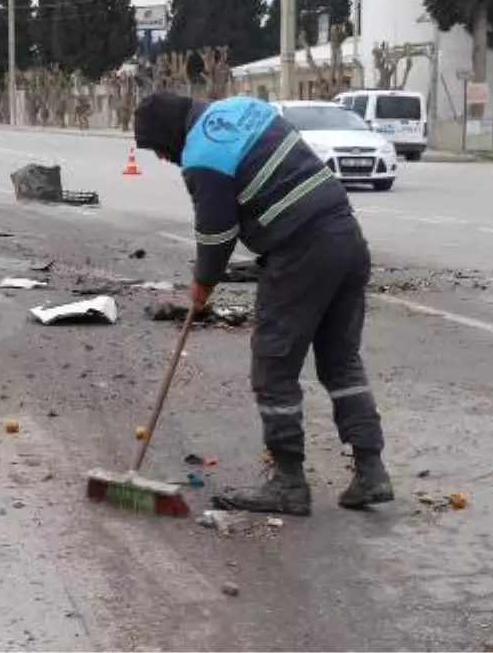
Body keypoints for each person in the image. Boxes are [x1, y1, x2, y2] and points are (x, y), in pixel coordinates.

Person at [133, 92, 392, 516]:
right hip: (345, 237)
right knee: (341, 361)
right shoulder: (242, 108)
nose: (164, 159)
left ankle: (289, 483)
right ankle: (371, 469)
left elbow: (216, 233)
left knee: (274, 364)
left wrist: (202, 284)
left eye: (159, 150)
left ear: (168, 135)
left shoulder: (201, 154)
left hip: (301, 252)